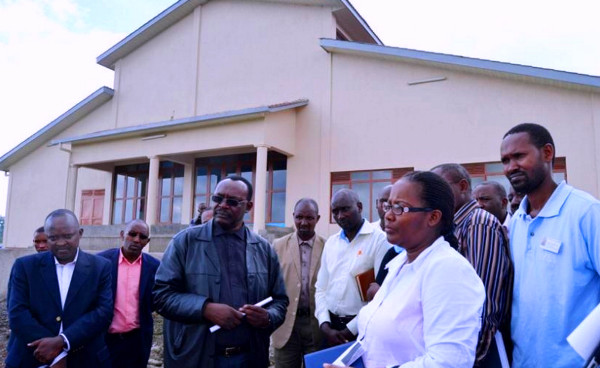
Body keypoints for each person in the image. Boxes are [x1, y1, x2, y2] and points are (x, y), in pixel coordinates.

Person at [325, 171, 485, 368]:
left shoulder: (449, 271)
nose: (388, 215)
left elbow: (449, 362)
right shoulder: (400, 263)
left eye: (400, 208)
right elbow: (371, 339)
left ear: (433, 217)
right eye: (388, 206)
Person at [153, 176, 288, 368]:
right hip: (195, 357)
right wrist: (205, 309)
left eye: (232, 201)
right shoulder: (185, 242)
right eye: (218, 199)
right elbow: (161, 296)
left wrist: (267, 317)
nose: (222, 205)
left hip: (249, 358)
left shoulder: (264, 249)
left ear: (248, 207)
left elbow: (280, 301)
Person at [501, 123, 600, 368]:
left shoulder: (586, 212)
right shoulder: (518, 222)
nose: (511, 166)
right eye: (505, 160)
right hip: (523, 362)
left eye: (519, 156)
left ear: (547, 153)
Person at [6, 209, 113, 368]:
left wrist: (62, 341)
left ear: (80, 233)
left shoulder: (100, 267)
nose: (61, 242)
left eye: (68, 236)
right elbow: (17, 313)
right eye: (53, 238)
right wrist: (56, 355)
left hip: (85, 358)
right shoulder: (25, 266)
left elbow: (103, 312)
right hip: (30, 358)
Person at [431, 164, 513, 366]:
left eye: (440, 188)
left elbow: (484, 301)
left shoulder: (478, 223)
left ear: (463, 186)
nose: (434, 196)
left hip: (477, 351)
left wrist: (473, 357)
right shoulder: (456, 224)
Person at [315, 189, 389, 346]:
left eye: (345, 209)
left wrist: (350, 330)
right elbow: (321, 288)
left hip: (362, 330)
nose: (340, 216)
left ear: (360, 207)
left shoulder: (379, 241)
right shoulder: (331, 243)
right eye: (335, 211)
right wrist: (325, 324)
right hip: (330, 329)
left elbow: (382, 296)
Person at [97, 219, 160, 368]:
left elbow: (154, 301)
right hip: (105, 339)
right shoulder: (101, 261)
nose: (137, 240)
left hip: (136, 341)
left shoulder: (154, 266)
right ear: (122, 235)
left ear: (147, 241)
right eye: (132, 234)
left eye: (142, 237)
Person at [271, 198, 325, 368]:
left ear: (318, 218)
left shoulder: (329, 247)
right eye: (299, 217)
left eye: (309, 218)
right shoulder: (278, 246)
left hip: (316, 326)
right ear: (293, 216)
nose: (303, 222)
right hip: (286, 326)